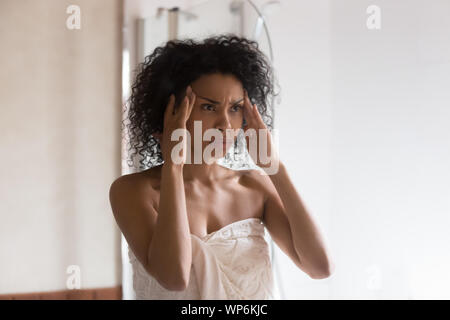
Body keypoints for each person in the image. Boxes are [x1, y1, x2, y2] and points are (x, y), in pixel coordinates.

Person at [109, 34, 334, 299]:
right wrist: (173, 167)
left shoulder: (255, 186)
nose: (225, 125)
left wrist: (275, 168)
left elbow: (319, 268)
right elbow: (174, 277)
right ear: (166, 114)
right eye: (208, 106)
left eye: (236, 108)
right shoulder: (133, 191)